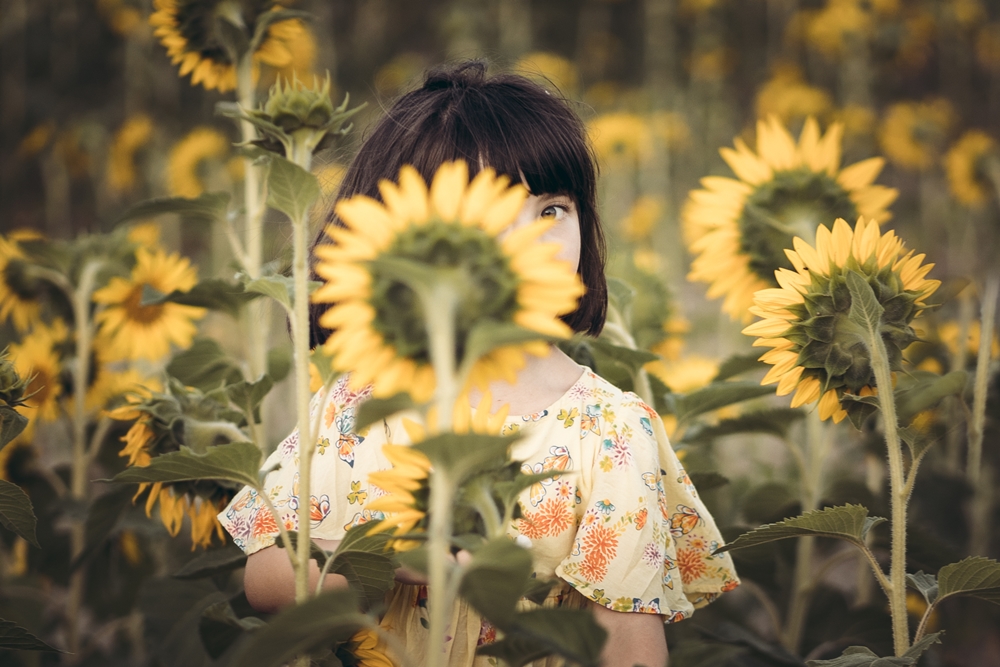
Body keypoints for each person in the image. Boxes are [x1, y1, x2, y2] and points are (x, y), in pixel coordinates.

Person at [219, 61, 739, 667]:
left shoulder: (612, 430)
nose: (531, 242)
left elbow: (629, 644)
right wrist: (382, 562)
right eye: (490, 215)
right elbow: (266, 582)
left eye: (552, 210)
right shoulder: (358, 402)